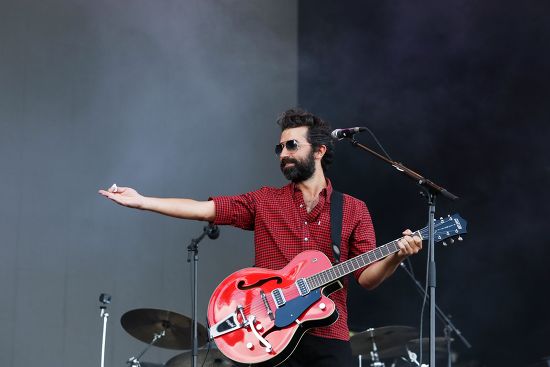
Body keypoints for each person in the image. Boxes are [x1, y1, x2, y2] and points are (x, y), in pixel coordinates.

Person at [98, 108, 422, 367]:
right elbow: (202, 209)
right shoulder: (264, 201)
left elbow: (367, 278)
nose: (283, 153)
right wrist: (142, 201)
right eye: (279, 147)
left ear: (320, 150)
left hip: (330, 337)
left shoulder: (353, 209)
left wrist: (397, 254)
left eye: (292, 145)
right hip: (271, 337)